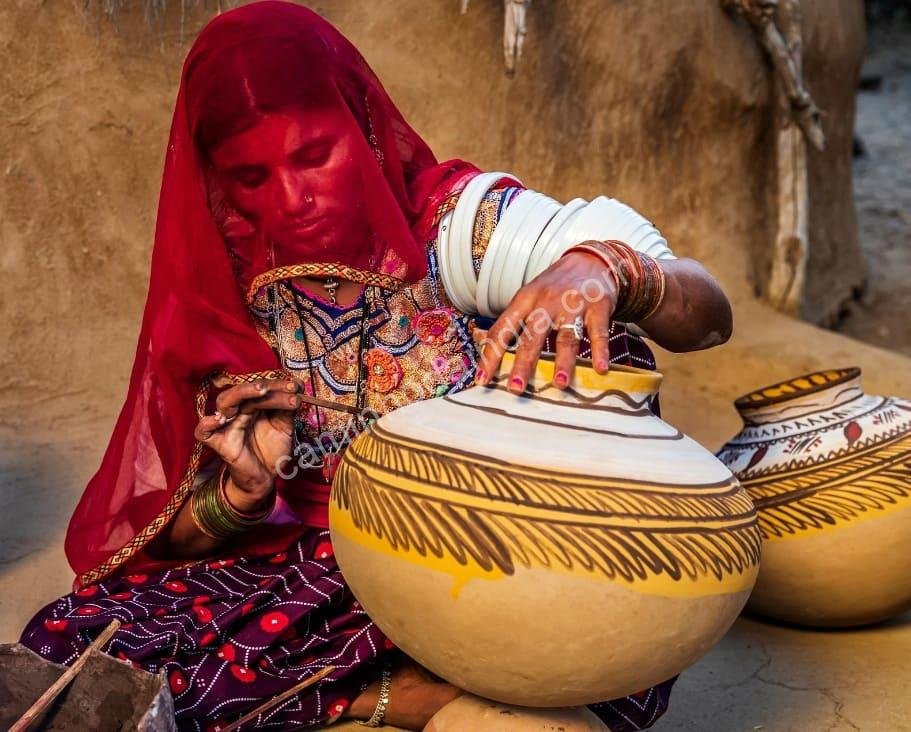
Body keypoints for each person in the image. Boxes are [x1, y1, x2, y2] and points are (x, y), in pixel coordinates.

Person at [19, 2, 733, 730]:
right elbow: (175, 534)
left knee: (598, 632)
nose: (291, 202)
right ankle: (412, 697)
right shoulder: (235, 283)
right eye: (251, 177)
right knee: (75, 642)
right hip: (336, 557)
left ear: (360, 127)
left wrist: (602, 269)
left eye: (312, 157)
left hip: (507, 541)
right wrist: (243, 491)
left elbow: (706, 317)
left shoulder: (463, 232)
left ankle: (398, 689)